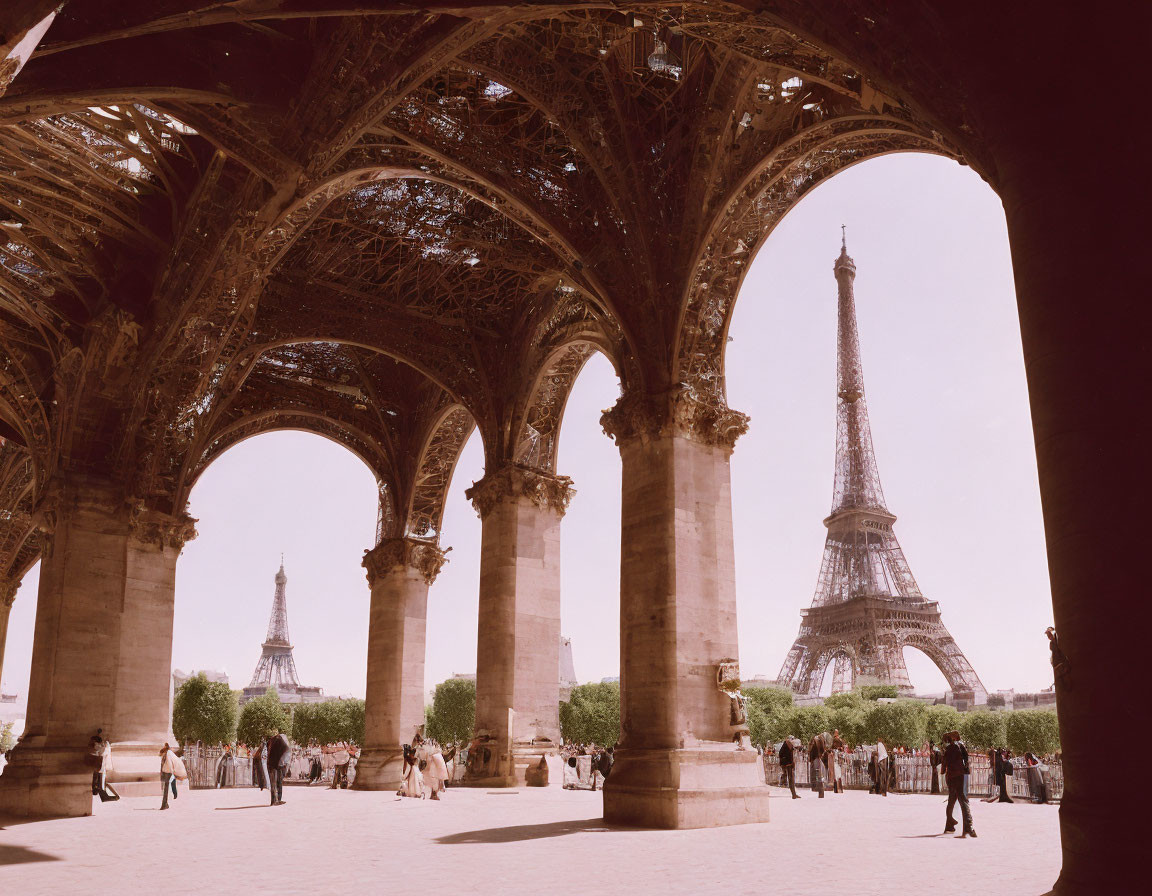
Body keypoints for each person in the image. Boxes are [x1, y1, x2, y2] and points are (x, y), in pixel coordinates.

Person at [942, 730, 976, 837]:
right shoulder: (961, 746)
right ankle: (969, 827)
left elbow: (943, 767)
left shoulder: (947, 750)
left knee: (951, 800)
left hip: (951, 777)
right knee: (964, 800)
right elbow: (966, 760)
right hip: (960, 776)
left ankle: (949, 825)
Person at [266, 729, 290, 806]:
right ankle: (277, 800)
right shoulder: (279, 739)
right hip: (277, 764)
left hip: (270, 763)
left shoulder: (270, 741)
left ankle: (274, 800)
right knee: (278, 782)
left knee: (273, 782)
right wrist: (282, 761)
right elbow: (286, 749)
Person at [159, 742, 185, 810]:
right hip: (167, 772)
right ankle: (165, 804)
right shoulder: (168, 753)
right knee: (166, 789)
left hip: (168, 772)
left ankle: (164, 804)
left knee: (166, 789)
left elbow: (169, 764)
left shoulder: (168, 754)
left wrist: (171, 772)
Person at [808, 733, 825, 798]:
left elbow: (812, 751)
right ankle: (820, 791)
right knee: (819, 774)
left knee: (817, 774)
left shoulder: (815, 740)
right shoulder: (820, 740)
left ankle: (819, 790)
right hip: (817, 758)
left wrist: (811, 758)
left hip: (815, 758)